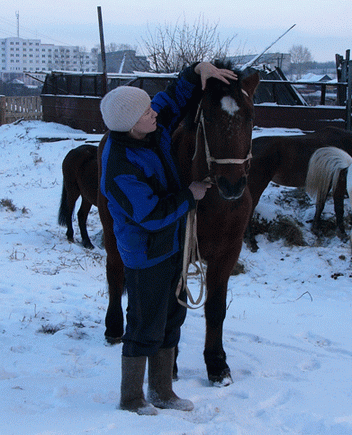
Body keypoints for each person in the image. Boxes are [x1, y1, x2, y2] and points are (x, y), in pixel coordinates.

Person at [99, 62, 238, 415]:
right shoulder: (119, 165)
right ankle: (131, 398)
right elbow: (150, 214)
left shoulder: (148, 133)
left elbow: (170, 99)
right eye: (146, 111)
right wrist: (190, 195)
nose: (154, 112)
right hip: (146, 256)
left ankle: (162, 391)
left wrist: (196, 72)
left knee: (171, 320)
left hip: (170, 249)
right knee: (144, 326)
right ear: (131, 123)